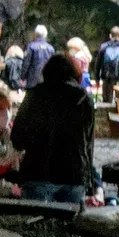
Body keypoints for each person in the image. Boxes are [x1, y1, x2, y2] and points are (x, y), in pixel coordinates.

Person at [10, 53, 98, 204]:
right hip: (74, 175)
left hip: (37, 172)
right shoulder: (84, 99)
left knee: (35, 224)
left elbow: (17, 138)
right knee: (69, 225)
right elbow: (88, 142)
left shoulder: (34, 96)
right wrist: (90, 182)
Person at [93, 27, 119, 104]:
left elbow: (97, 65)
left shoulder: (103, 47)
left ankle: (107, 114)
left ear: (110, 35)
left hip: (106, 78)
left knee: (107, 101)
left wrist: (97, 79)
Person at [20, 25, 54, 90]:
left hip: (32, 80)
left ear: (35, 34)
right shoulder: (51, 48)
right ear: (46, 35)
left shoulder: (31, 46)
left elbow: (26, 64)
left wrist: (22, 77)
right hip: (46, 80)